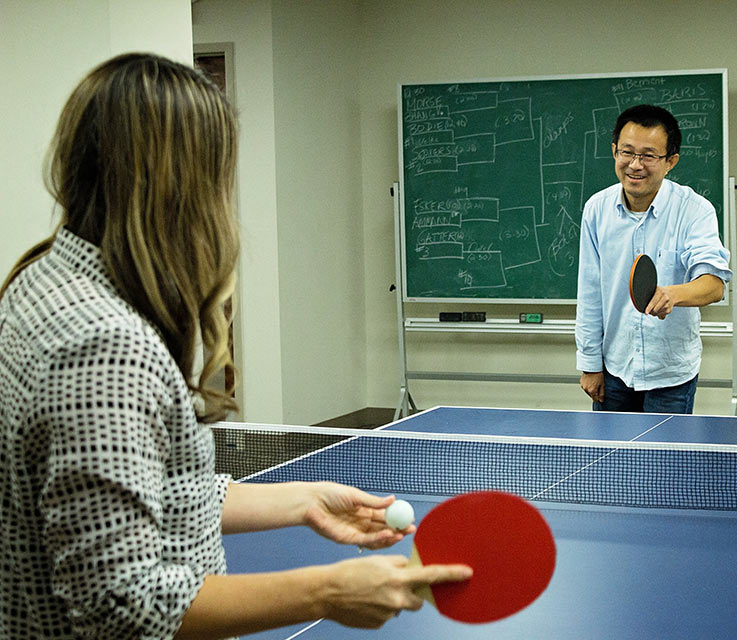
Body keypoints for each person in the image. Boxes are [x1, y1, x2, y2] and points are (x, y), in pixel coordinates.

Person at [0, 53, 471, 640]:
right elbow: (121, 603)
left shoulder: (43, 279)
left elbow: (146, 487)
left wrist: (301, 502)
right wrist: (325, 590)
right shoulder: (104, 345)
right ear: (181, 183)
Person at [576, 104, 732, 414]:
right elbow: (590, 292)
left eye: (648, 155)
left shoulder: (694, 210)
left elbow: (714, 286)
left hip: (671, 373)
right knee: (611, 462)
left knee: (664, 463)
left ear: (670, 161)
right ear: (614, 151)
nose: (635, 165)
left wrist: (673, 294)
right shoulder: (597, 210)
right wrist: (589, 363)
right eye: (627, 152)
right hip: (614, 368)